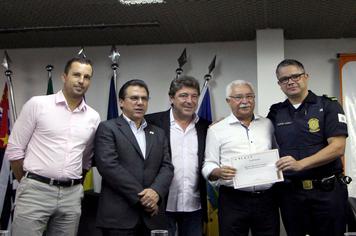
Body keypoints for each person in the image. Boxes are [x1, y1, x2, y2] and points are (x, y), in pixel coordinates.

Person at [5, 57, 101, 236]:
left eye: (87, 77)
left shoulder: (93, 117)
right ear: (64, 77)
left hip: (71, 196)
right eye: (76, 75)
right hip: (35, 191)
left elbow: (86, 159)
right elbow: (15, 149)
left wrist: (74, 185)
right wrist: (27, 181)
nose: (81, 81)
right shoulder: (38, 104)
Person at [268, 59, 349, 236]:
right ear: (279, 84)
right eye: (284, 79)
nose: (290, 81)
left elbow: (337, 147)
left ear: (306, 77)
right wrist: (224, 123)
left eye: (295, 76)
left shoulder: (328, 105)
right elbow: (256, 131)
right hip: (291, 194)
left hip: (327, 192)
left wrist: (301, 164)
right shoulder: (276, 112)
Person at [95, 79, 174, 236]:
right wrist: (146, 199)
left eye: (144, 98)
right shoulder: (108, 128)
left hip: (153, 219)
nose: (140, 103)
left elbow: (167, 167)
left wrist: (156, 192)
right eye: (134, 98)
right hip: (119, 218)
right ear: (121, 102)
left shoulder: (158, 133)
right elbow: (109, 167)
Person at [202, 80, 279, 236]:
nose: (245, 101)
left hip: (267, 200)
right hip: (232, 200)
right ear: (228, 101)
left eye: (249, 96)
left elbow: (277, 153)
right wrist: (217, 171)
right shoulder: (217, 130)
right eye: (238, 97)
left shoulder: (268, 124)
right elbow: (208, 163)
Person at [145, 76, 210, 236]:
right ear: (171, 98)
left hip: (194, 206)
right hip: (160, 205)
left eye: (194, 96)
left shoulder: (206, 127)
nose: (190, 100)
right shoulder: (151, 123)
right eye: (183, 95)